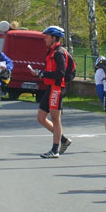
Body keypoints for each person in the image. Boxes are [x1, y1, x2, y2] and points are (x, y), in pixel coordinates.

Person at [31, 26, 72, 158]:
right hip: (50, 87)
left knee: (55, 119)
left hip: (57, 88)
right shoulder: (52, 51)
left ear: (54, 38)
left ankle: (55, 150)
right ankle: (63, 140)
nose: (45, 39)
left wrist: (43, 74)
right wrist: (40, 73)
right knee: (41, 118)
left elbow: (60, 74)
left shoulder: (59, 52)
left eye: (47, 36)